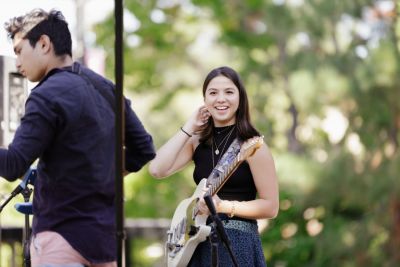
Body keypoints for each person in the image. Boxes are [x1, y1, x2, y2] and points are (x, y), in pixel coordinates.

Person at [2, 8, 155, 267]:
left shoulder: (45, 95)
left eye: (18, 51)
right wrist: (100, 168)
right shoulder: (107, 89)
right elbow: (144, 149)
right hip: (107, 243)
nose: (17, 63)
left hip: (60, 239)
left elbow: (14, 164)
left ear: (43, 44)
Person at [149, 66, 279, 266]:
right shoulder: (197, 141)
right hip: (196, 244)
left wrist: (222, 206)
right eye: (213, 93)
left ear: (240, 98)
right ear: (205, 100)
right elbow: (157, 169)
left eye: (229, 92)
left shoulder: (252, 146)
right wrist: (190, 126)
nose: (220, 99)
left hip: (237, 244)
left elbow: (271, 206)